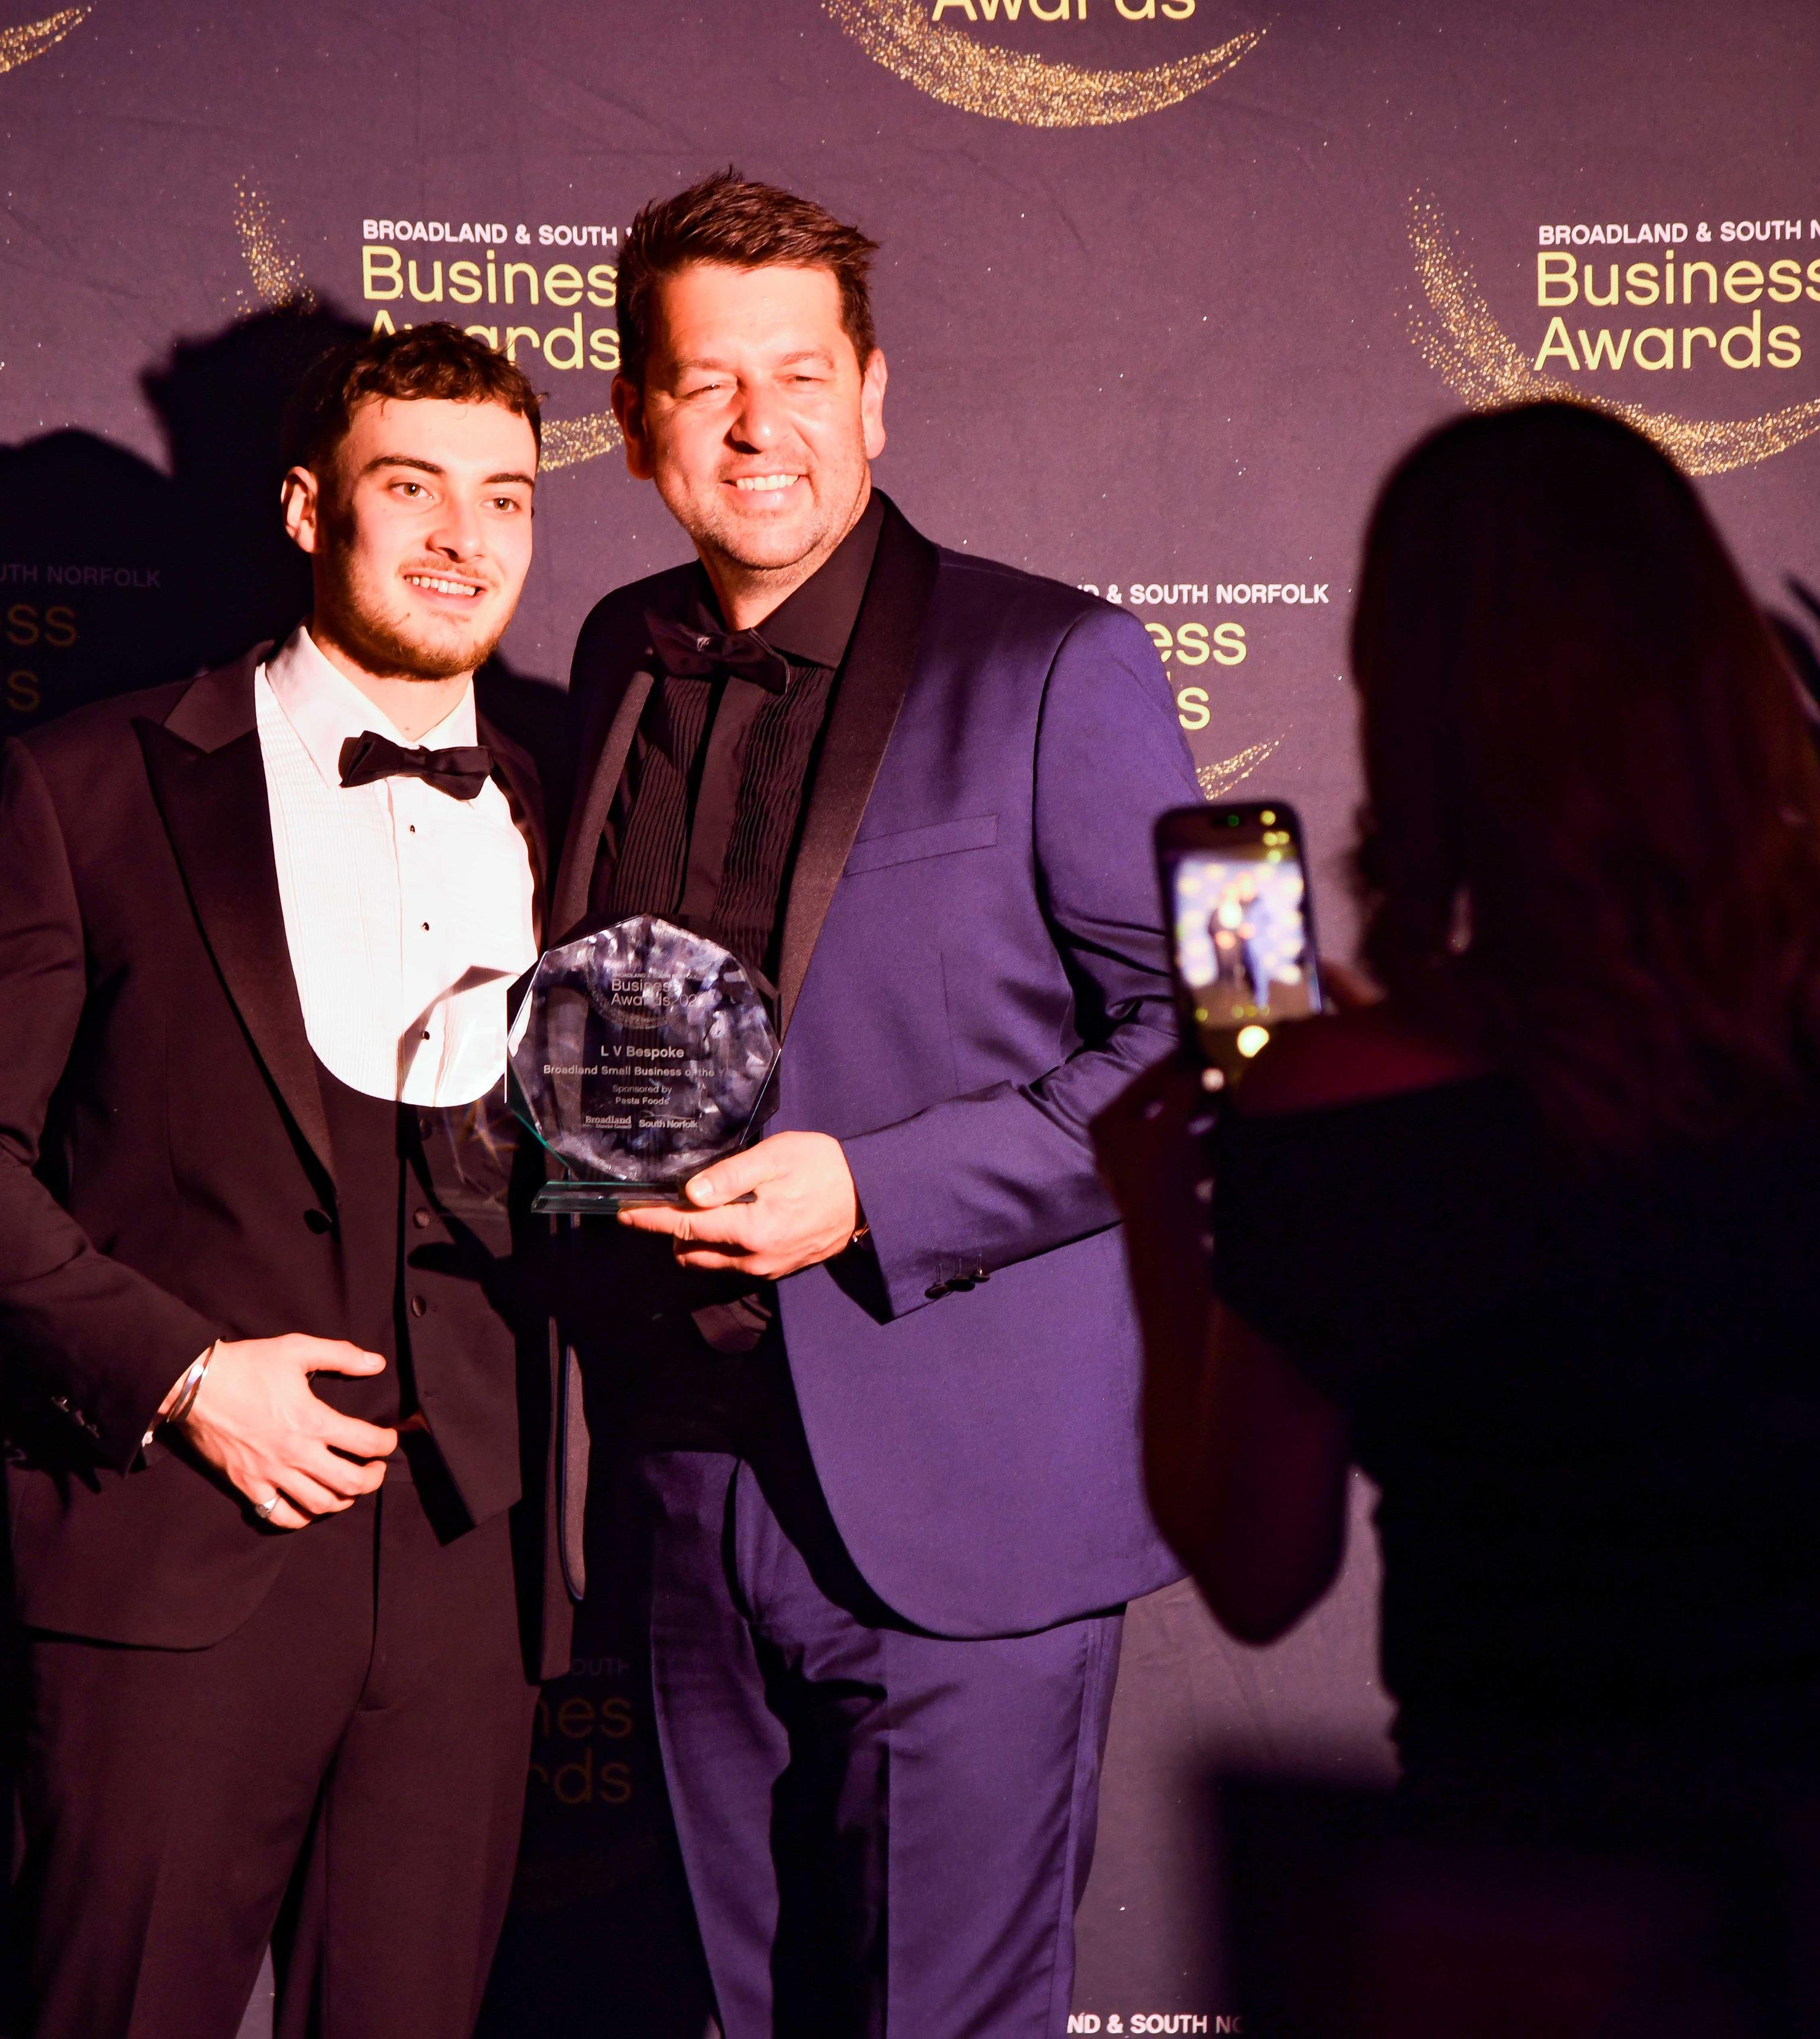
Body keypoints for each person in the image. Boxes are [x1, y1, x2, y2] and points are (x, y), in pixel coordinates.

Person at [1094, 403, 1820, 2035]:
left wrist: (1159, 1220)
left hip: (1553, 1913)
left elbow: (1259, 1570)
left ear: (1419, 708)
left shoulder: (1334, 1102)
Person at [554, 171, 1193, 2039]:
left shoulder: (1068, 658)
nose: (762, 426)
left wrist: (878, 1187)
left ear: (876, 392)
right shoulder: (609, 654)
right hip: (679, 1479)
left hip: (972, 1512)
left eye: (803, 373)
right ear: (633, 423)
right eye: (706, 383)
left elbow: (1234, 1038)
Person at [0, 324, 569, 2039]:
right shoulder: (92, 782)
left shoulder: (566, 786)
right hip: (175, 1553)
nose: (461, 540)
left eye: (506, 498)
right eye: (411, 488)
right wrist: (183, 1375)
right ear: (304, 505)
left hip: (475, 1572)